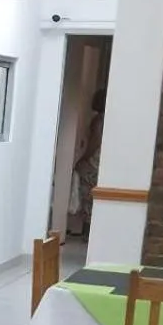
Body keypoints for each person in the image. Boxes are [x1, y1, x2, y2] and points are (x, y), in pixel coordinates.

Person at [68, 87, 106, 238]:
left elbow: (94, 142)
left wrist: (82, 159)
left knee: (88, 195)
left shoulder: (98, 121)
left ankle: (87, 230)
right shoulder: (110, 119)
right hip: (102, 164)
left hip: (94, 163)